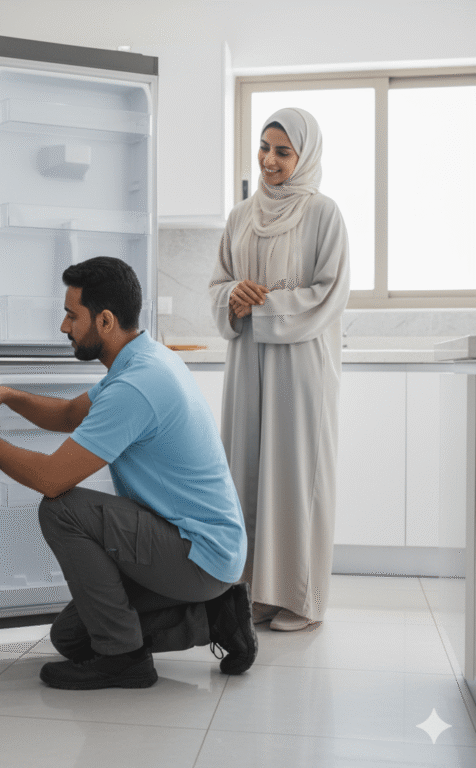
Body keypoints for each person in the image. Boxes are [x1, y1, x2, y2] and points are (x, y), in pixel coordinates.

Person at [0, 256, 256, 690]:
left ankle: (126, 660)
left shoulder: (137, 386)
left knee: (62, 508)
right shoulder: (143, 359)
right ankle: (215, 616)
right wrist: (7, 395)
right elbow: (71, 414)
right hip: (203, 550)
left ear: (105, 320)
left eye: (72, 315)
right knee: (71, 637)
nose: (64, 327)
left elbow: (52, 479)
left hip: (198, 552)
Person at [209, 108, 350, 632]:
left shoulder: (323, 214)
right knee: (246, 469)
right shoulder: (240, 216)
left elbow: (329, 291)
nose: (270, 160)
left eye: (283, 151)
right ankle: (255, 591)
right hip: (247, 359)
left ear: (304, 155)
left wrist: (263, 305)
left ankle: (299, 598)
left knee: (295, 474)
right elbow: (218, 283)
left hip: (300, 363)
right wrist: (232, 297)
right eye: (264, 148)